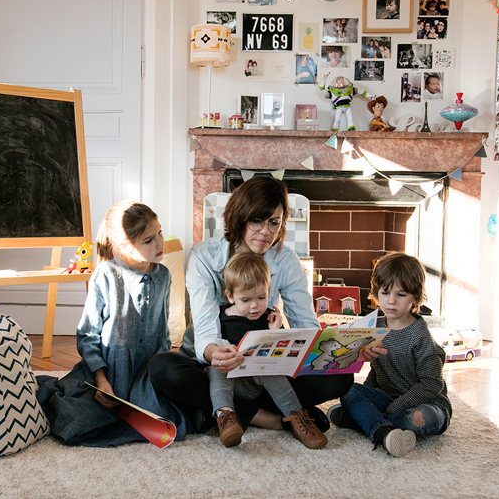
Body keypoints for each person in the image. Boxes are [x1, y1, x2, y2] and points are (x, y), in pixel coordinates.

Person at [148, 178, 373, 435]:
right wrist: (215, 354)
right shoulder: (204, 257)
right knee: (162, 367)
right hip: (215, 367)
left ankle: (228, 410)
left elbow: (306, 326)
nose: (266, 231)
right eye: (257, 221)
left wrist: (348, 352)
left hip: (266, 367)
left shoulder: (286, 260)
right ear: (240, 218)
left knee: (340, 377)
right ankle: (272, 418)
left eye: (274, 222)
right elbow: (205, 324)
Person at [36, 201, 191, 447]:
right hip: (110, 372)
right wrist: (101, 381)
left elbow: (162, 333)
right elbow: (88, 334)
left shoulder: (163, 275)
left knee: (178, 420)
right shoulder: (106, 274)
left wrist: (161, 378)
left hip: (146, 374)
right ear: (124, 247)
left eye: (159, 233)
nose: (161, 244)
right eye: (149, 240)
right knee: (74, 420)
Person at [327, 252, 452, 458]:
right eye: (385, 293)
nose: (391, 301)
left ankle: (364, 421)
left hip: (425, 403)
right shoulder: (374, 327)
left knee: (422, 417)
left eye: (401, 295)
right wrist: (366, 396)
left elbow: (432, 385)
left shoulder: (420, 336)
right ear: (377, 293)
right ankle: (383, 431)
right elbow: (376, 371)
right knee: (347, 389)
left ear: (416, 297)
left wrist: (394, 407)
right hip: (387, 398)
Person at [207, 252, 327, 449]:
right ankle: (226, 416)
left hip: (259, 383)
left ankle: (297, 418)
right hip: (232, 383)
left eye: (261, 297)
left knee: (271, 370)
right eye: (245, 300)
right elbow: (205, 348)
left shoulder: (269, 317)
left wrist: (276, 331)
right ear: (230, 296)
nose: (255, 306)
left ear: (268, 292)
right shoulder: (220, 318)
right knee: (216, 370)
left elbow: (282, 354)